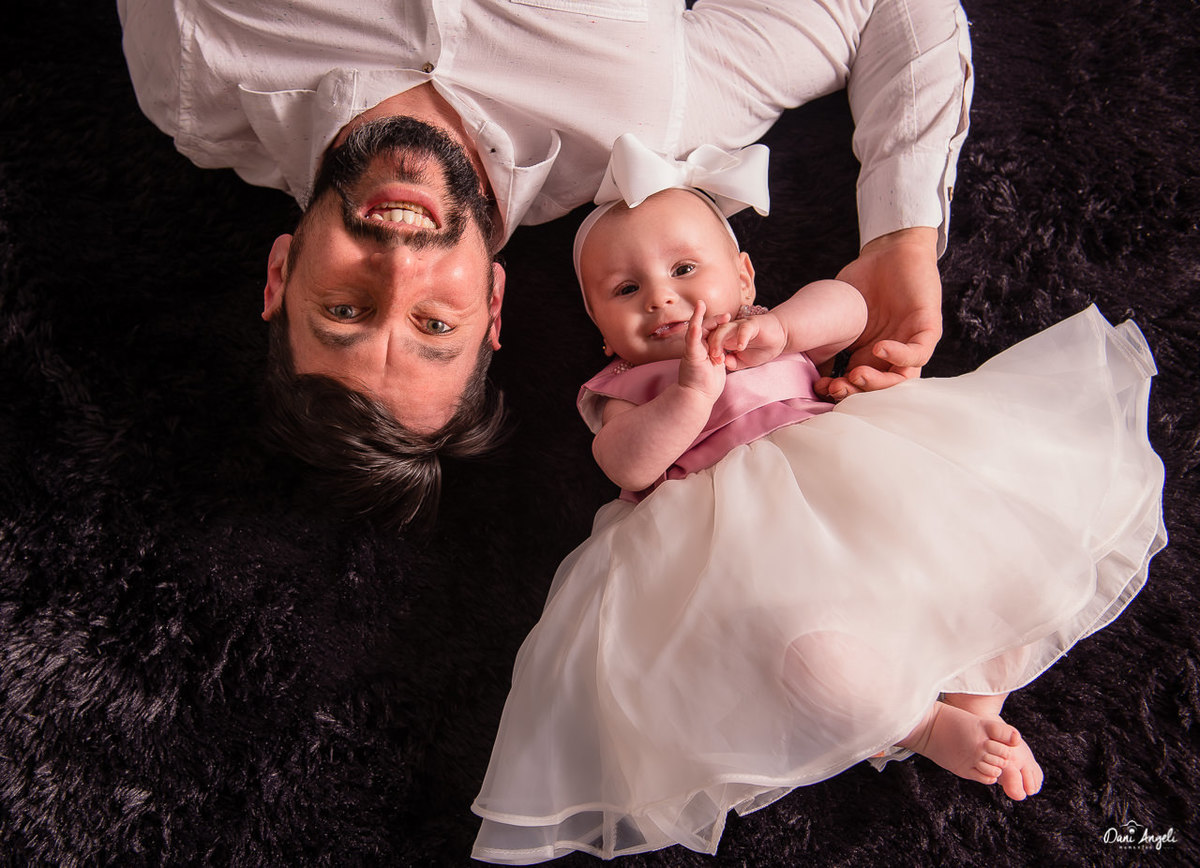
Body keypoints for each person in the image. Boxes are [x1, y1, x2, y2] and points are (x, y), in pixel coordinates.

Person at [468, 139, 1167, 863]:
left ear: (744, 277)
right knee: (818, 669)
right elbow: (624, 462)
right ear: (599, 327)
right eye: (624, 290)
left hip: (856, 481)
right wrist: (689, 396)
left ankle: (978, 694)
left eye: (684, 269)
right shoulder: (625, 388)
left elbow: (851, 306)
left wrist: (783, 330)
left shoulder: (765, 328)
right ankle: (922, 725)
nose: (660, 298)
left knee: (994, 544)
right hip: (744, 553)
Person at [118, 0, 974, 524]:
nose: (399, 265)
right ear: (495, 304)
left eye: (344, 309)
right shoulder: (648, 120)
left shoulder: (193, 83)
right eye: (434, 324)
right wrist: (901, 239)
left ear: (280, 275)